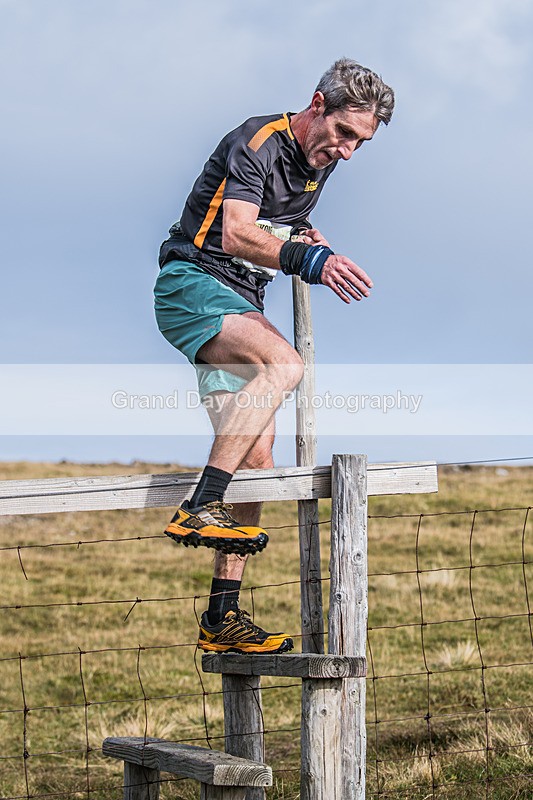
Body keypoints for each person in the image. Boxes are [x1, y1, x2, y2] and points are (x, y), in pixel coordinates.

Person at [154, 58, 394, 655]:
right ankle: (200, 504)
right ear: (318, 104)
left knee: (257, 459)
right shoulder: (257, 140)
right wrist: (309, 261)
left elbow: (280, 225)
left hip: (240, 299)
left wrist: (308, 238)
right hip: (192, 284)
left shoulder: (319, 163)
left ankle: (221, 618)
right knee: (284, 366)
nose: (347, 153)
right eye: (344, 133)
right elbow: (236, 232)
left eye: (360, 144)